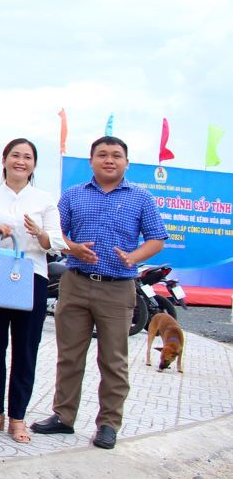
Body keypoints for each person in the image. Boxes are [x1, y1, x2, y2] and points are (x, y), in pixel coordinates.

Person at [31, 136, 167, 449]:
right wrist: (71, 246)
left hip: (118, 288)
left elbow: (157, 238)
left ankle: (108, 424)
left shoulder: (141, 198)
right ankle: (63, 417)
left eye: (116, 155)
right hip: (76, 283)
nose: (109, 160)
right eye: (102, 155)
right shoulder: (73, 195)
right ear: (91, 161)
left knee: (114, 361)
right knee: (69, 356)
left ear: (126, 163)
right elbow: (55, 233)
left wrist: (134, 257)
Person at [0, 138, 65, 444]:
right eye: (15, 155)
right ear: (4, 159)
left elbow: (57, 242)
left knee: (25, 351)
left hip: (31, 278)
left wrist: (40, 234)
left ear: (34, 164)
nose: (21, 161)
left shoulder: (44, 200)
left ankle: (18, 417)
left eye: (28, 157)